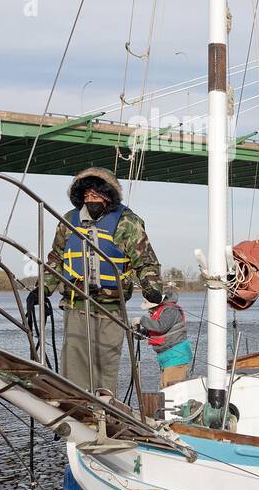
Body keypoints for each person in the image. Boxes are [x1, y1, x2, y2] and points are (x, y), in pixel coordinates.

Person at [32, 166, 162, 395]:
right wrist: (42, 289)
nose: (91, 200)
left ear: (108, 196)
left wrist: (152, 288)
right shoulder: (68, 221)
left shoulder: (127, 223)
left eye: (97, 195)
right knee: (74, 366)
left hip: (111, 307)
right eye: (87, 196)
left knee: (106, 364)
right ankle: (76, 410)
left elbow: (146, 261)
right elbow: (57, 258)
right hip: (76, 303)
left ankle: (103, 410)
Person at [135, 287, 194, 388]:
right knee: (164, 389)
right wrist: (138, 332)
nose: (149, 310)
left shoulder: (171, 310)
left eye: (151, 307)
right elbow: (152, 332)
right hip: (166, 359)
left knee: (170, 391)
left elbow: (161, 326)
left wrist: (142, 320)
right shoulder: (161, 311)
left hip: (176, 358)